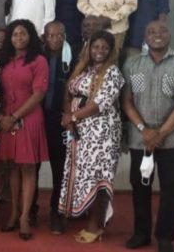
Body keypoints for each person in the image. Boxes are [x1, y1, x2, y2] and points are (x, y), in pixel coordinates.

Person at [122, 20, 174, 252]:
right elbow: (126, 101)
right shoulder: (132, 64)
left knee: (170, 189)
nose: (157, 34)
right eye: (151, 31)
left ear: (170, 35)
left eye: (162, 30)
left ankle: (165, 237)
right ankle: (141, 233)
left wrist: (161, 133)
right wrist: (143, 130)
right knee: (140, 186)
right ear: (144, 37)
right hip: (140, 138)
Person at [58, 30, 124, 242]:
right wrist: (69, 120)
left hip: (101, 132)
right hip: (80, 131)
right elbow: (69, 94)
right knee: (83, 176)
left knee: (99, 177)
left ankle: (95, 226)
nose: (100, 51)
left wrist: (72, 117)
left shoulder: (112, 72)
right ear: (89, 48)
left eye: (105, 48)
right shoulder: (82, 69)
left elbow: (98, 104)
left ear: (111, 50)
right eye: (96, 47)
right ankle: (86, 218)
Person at [0, 19, 49, 240]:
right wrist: (2, 116)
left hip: (28, 119)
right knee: (13, 168)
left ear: (31, 36)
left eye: (23, 34)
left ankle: (25, 217)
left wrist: (15, 117)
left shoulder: (38, 61)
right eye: (15, 34)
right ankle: (14, 213)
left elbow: (39, 93)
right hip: (7, 120)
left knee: (28, 168)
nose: (19, 38)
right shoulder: (5, 62)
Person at [37, 21, 75, 234]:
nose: (55, 39)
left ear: (64, 35)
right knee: (30, 166)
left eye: (59, 35)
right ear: (45, 36)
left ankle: (56, 211)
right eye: (51, 35)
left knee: (59, 168)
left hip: (59, 120)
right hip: (37, 116)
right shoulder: (38, 56)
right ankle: (30, 210)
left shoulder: (72, 57)